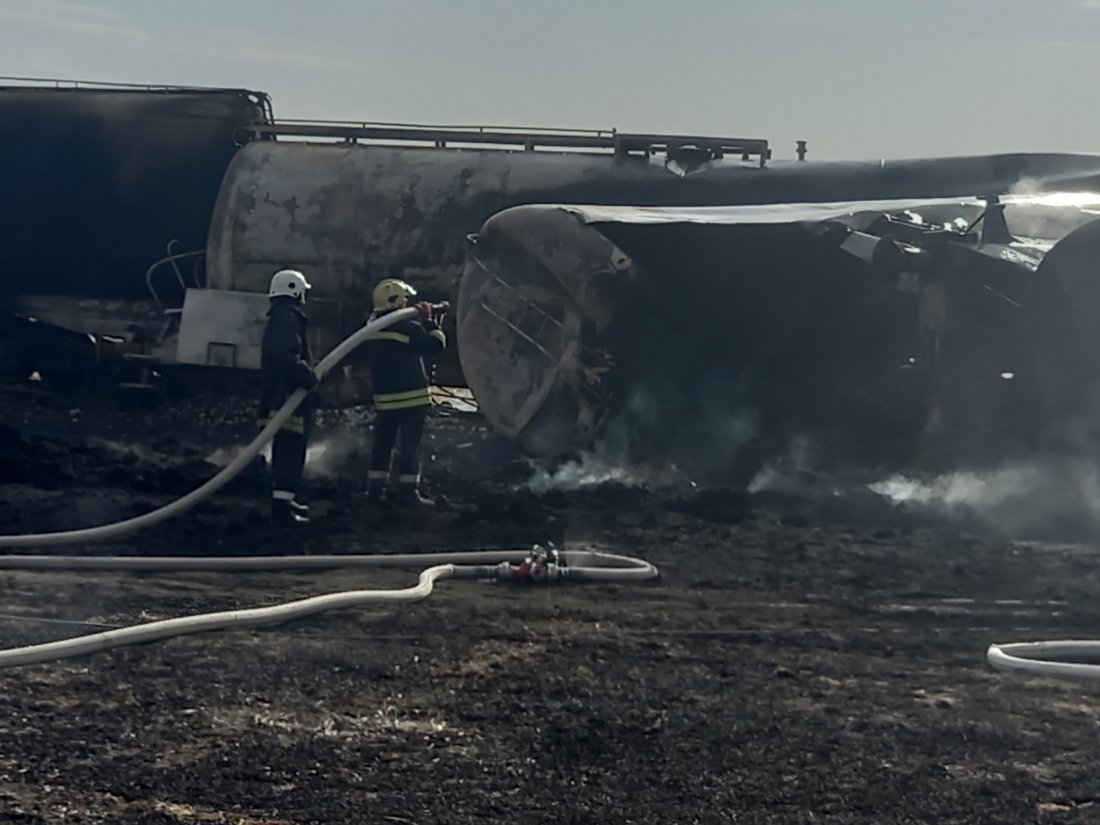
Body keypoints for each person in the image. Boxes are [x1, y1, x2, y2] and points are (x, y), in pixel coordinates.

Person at [361, 278, 446, 507]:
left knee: (382, 444)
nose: (407, 302)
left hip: (385, 400)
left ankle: (375, 490)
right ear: (396, 302)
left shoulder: (370, 330)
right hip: (412, 400)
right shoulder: (408, 328)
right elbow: (435, 347)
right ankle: (408, 492)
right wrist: (432, 324)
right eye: (404, 299)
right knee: (410, 446)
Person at [258, 269, 318, 524]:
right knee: (290, 452)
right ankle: (282, 510)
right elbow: (286, 358)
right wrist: (308, 376)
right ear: (294, 290)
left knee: (288, 452)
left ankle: (285, 500)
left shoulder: (283, 318)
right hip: (287, 401)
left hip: (282, 399)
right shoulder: (287, 320)